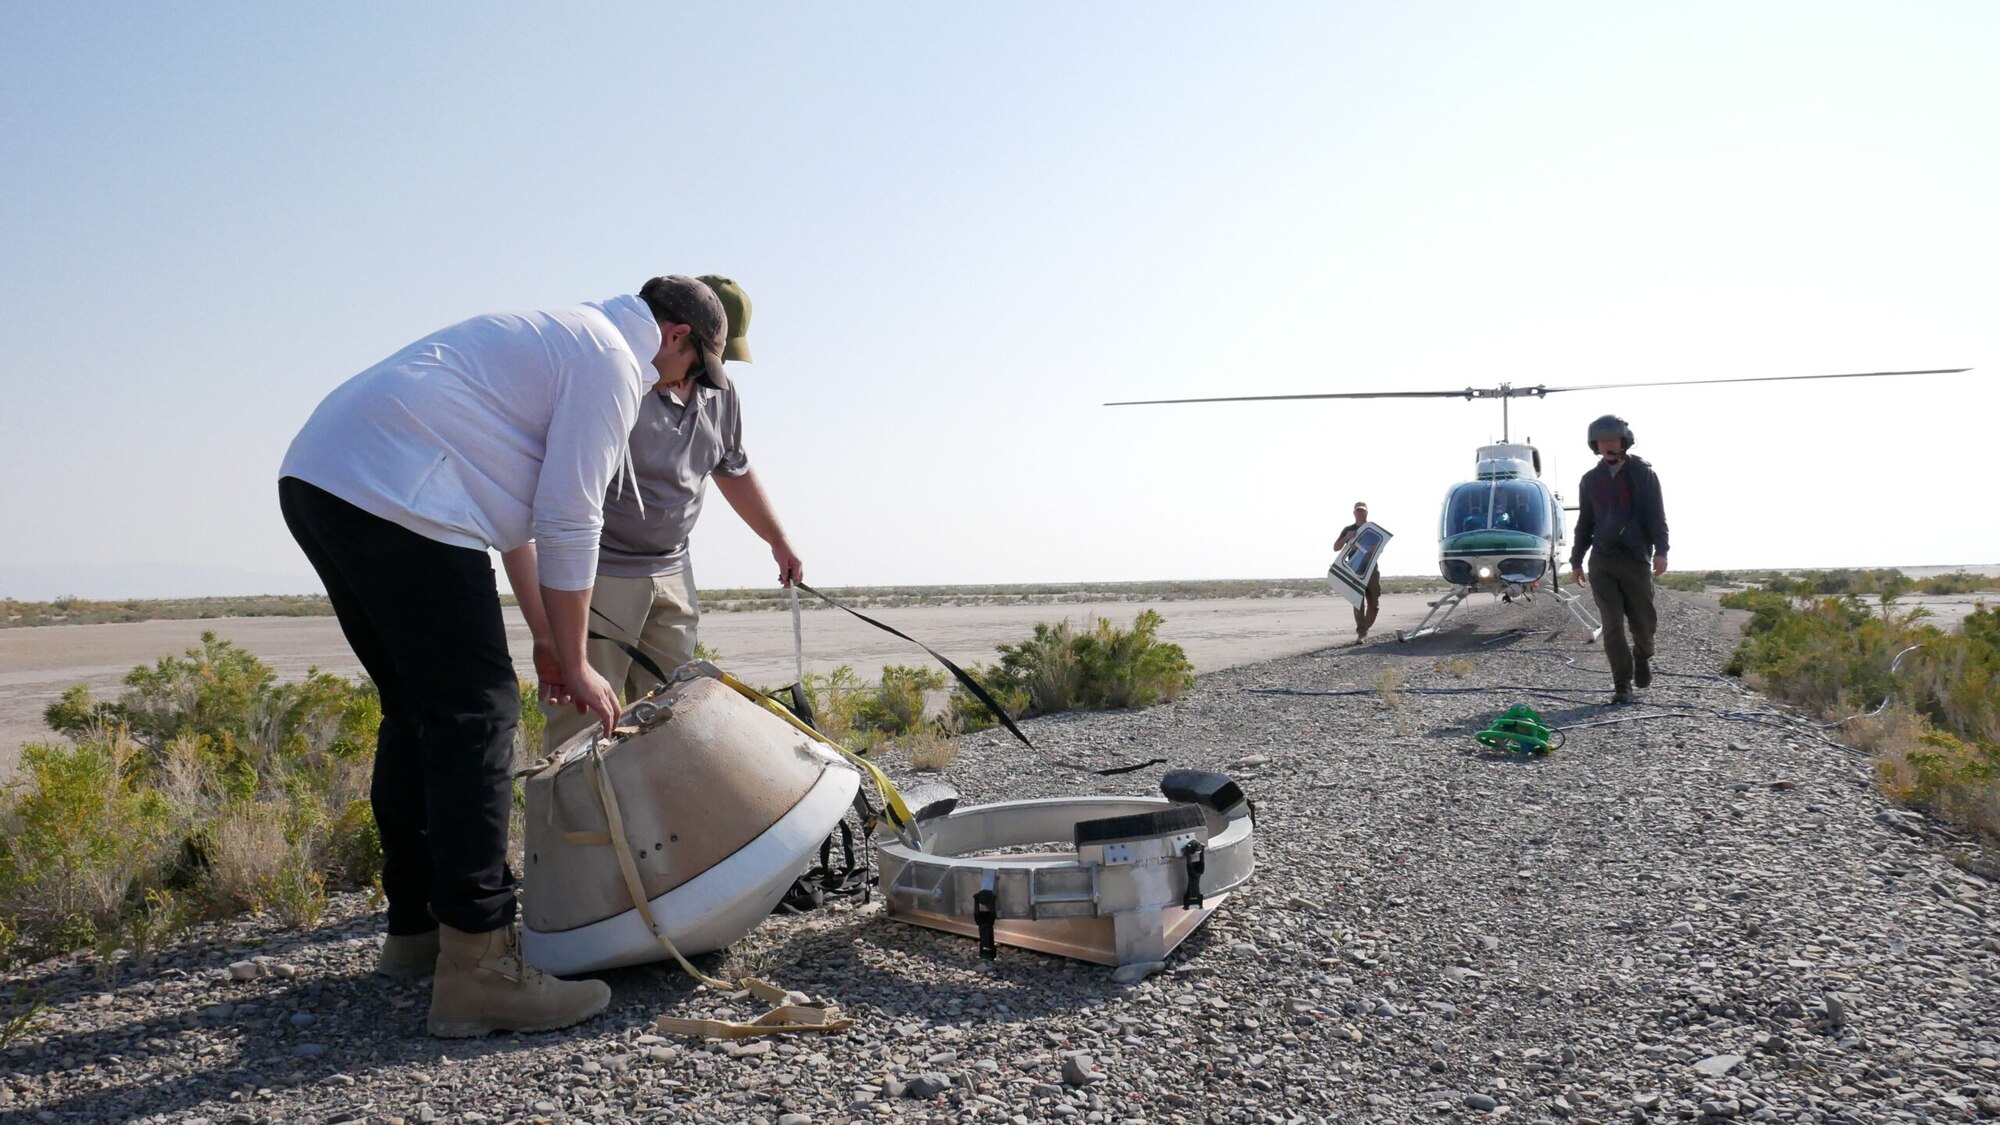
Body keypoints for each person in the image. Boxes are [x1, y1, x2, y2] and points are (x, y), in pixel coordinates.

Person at [278, 275, 730, 1037]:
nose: (679, 384)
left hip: (325, 477)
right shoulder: (613, 360)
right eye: (693, 370)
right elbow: (570, 512)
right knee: (478, 718)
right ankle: (479, 968)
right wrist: (585, 665)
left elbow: (520, 522)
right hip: (398, 495)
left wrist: (553, 641)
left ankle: (418, 932)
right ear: (677, 334)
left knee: (422, 713)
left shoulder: (564, 340)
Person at [538, 275, 803, 751]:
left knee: (670, 716)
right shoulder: (616, 377)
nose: (707, 373)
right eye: (707, 358)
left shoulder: (720, 393)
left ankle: (652, 827)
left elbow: (733, 468)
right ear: (678, 332)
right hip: (601, 575)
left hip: (674, 571)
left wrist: (777, 540)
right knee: (579, 728)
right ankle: (573, 826)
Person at [1568, 413, 1670, 704]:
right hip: (1602, 561)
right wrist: (1576, 560)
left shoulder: (1643, 474)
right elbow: (1585, 523)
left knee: (1643, 624)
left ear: (1624, 441)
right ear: (1595, 446)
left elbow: (1656, 515)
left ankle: (1642, 656)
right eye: (1602, 441)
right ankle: (1621, 685)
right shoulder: (1590, 480)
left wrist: (1661, 550)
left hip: (1636, 560)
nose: (1607, 445)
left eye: (1612, 440)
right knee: (1611, 625)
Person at [1332, 501, 1382, 642]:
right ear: (1354, 513)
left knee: (1374, 603)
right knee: (1357, 601)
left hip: (1371, 570)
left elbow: (1380, 547)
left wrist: (1369, 548)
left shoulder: (1373, 529)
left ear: (1367, 512)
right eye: (1358, 511)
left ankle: (1364, 628)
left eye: (1362, 511)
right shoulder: (1348, 529)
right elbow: (1336, 547)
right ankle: (1361, 632)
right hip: (1354, 570)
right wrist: (1347, 538)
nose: (1360, 513)